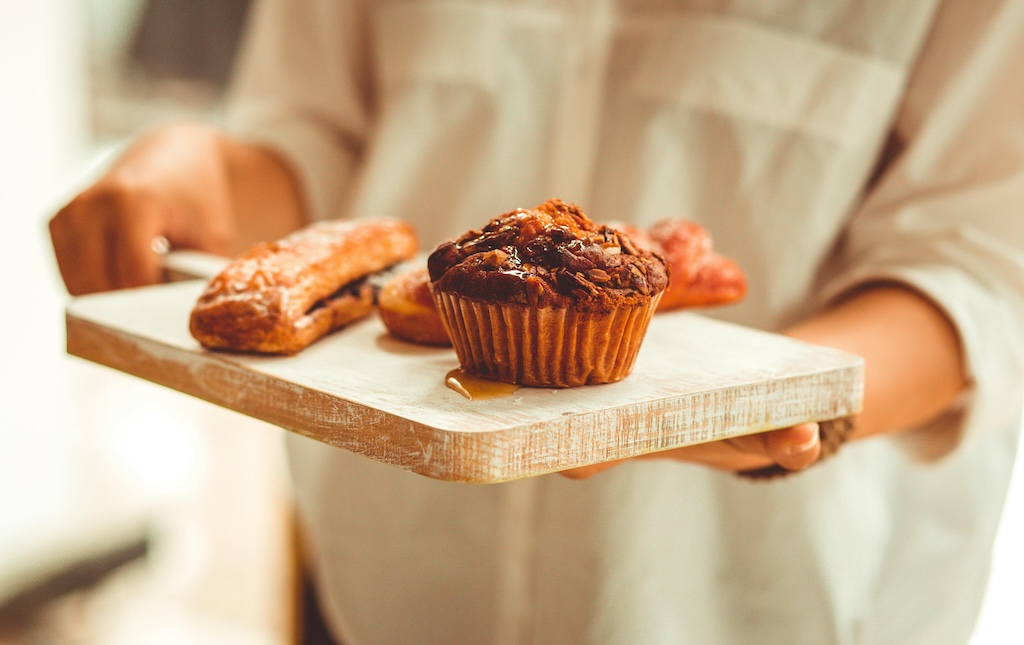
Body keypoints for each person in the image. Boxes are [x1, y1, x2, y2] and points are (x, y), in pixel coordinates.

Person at [49, 1, 1024, 643]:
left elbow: (973, 262)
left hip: (764, 591)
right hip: (387, 563)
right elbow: (321, 134)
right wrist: (206, 168)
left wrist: (782, 401)